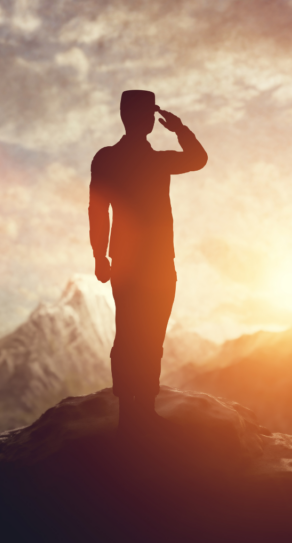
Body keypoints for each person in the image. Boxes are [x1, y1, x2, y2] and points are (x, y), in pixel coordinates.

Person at [88, 90, 208, 432]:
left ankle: (133, 410)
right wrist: (180, 128)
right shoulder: (158, 161)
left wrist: (100, 255)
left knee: (132, 333)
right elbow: (198, 158)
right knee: (147, 335)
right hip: (154, 262)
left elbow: (98, 212)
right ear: (148, 120)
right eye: (147, 115)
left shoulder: (106, 158)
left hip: (128, 261)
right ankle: (140, 410)